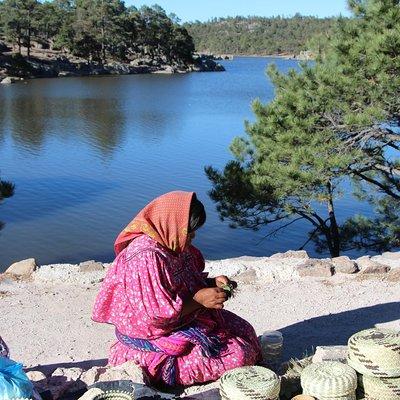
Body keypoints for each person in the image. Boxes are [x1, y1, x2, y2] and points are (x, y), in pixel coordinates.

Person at [92, 191, 261, 386]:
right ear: (171, 222)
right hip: (153, 336)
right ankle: (157, 370)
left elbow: (184, 282)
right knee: (239, 355)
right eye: (189, 230)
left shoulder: (171, 241)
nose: (193, 235)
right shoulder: (146, 256)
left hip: (183, 319)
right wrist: (199, 300)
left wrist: (211, 284)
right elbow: (156, 316)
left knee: (245, 330)